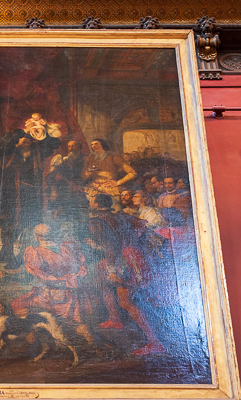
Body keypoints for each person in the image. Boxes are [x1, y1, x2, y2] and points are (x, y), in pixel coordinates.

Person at [86, 194, 165, 356]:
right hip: (136, 255)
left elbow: (110, 246)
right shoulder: (123, 216)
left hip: (125, 260)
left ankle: (155, 342)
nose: (90, 203)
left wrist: (111, 270)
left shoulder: (98, 222)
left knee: (125, 301)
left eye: (92, 201)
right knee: (106, 284)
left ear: (96, 205)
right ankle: (115, 319)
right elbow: (143, 230)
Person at [0, 128, 61, 266]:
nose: (26, 145)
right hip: (11, 196)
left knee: (29, 225)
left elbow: (54, 144)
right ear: (16, 142)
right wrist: (15, 140)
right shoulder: (8, 151)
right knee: (9, 226)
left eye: (28, 142)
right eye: (23, 142)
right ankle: (8, 254)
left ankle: (20, 255)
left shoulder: (35, 151)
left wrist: (43, 132)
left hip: (30, 196)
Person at [11, 224, 94, 344]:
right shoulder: (69, 247)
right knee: (68, 321)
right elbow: (83, 268)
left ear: (35, 237)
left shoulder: (35, 253)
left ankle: (34, 335)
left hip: (55, 295)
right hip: (78, 294)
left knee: (17, 304)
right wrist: (72, 279)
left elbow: (41, 277)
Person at [81, 138, 136, 212]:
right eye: (92, 144)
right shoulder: (89, 158)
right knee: (94, 212)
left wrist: (118, 182)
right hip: (93, 190)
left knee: (114, 211)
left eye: (96, 144)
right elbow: (83, 175)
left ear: (102, 144)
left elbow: (132, 173)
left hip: (110, 190)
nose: (93, 146)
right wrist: (88, 173)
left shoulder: (114, 157)